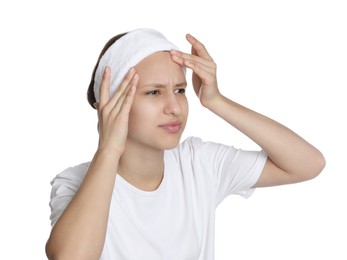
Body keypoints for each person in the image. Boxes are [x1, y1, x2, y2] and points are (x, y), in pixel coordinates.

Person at [45, 28, 325, 260]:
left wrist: (216, 101)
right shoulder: (73, 183)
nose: (174, 107)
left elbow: (308, 164)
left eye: (180, 90)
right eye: (154, 92)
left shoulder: (198, 163)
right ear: (110, 105)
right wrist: (108, 149)